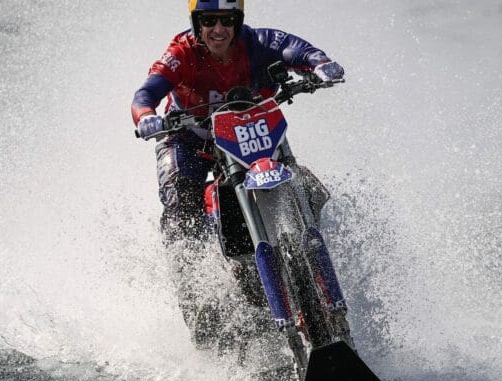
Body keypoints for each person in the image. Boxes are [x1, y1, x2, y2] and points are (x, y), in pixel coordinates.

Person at [131, 0, 344, 350]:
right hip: (189, 139)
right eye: (209, 20)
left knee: (306, 183)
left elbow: (298, 49)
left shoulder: (258, 42)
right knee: (181, 211)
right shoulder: (181, 53)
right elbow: (147, 92)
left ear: (239, 20)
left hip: (251, 133)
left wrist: (321, 65)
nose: (219, 29)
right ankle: (200, 301)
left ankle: (321, 278)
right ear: (196, 23)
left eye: (227, 20)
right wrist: (145, 116)